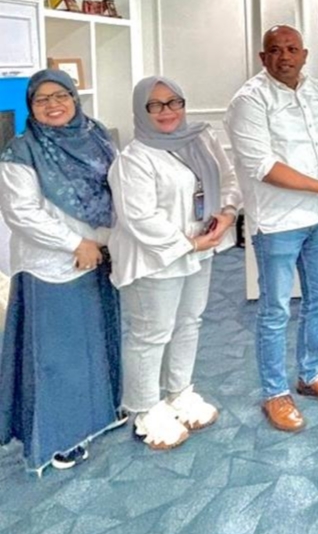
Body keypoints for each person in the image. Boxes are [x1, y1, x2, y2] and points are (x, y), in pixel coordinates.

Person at [225, 24, 318, 433]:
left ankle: (311, 374)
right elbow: (263, 166)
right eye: (275, 50)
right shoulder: (249, 100)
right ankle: (274, 393)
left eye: (291, 49)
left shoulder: (316, 90)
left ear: (304, 54)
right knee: (275, 310)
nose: (284, 56)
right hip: (278, 221)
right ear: (262, 57)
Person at [0, 69, 123, 474]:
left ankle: (99, 413)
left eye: (61, 96)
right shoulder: (21, 151)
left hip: (102, 256)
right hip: (53, 265)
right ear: (30, 106)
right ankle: (58, 438)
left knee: (98, 340)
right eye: (42, 99)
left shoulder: (96, 135)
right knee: (58, 355)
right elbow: (21, 212)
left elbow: (118, 189)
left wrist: (111, 241)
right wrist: (75, 243)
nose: (53, 105)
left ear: (74, 97)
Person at [109, 76, 241, 450]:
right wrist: (190, 242)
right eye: (155, 105)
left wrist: (228, 213)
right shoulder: (133, 159)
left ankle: (179, 392)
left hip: (201, 247)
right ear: (141, 110)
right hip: (156, 258)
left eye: (174, 102)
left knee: (188, 322)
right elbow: (139, 218)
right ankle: (144, 409)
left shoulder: (201, 138)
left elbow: (228, 179)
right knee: (152, 333)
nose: (167, 111)